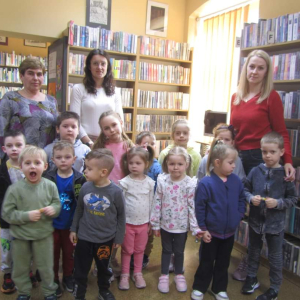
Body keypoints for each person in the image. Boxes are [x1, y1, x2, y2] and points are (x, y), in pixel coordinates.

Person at [230, 49, 295, 281]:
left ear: (266, 72)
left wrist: (287, 161)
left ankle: (250, 263)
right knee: (238, 205)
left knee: (258, 213)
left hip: (262, 159)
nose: (254, 71)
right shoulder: (236, 96)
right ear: (245, 68)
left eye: (260, 67)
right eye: (251, 66)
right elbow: (232, 133)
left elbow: (281, 133)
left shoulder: (271, 97)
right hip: (238, 158)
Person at [241, 132, 297, 300]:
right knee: (253, 250)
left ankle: (274, 288)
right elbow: (245, 190)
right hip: (255, 222)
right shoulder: (255, 171)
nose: (268, 156)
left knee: (275, 256)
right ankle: (251, 277)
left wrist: (278, 203)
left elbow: (293, 199)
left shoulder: (286, 176)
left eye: (272, 152)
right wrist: (251, 198)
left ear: (281, 152)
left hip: (275, 225)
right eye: (264, 152)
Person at [2, 146, 61, 300]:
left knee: (46, 268)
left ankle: (49, 292)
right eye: (27, 163)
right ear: (21, 167)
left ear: (45, 166)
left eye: (37, 162)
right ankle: (23, 293)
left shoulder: (50, 186)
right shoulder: (15, 189)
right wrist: (26, 216)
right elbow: (7, 214)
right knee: (21, 269)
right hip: (21, 237)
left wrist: (53, 209)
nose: (32, 166)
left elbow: (57, 204)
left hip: (43, 236)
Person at [191, 140, 246, 300]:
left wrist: (239, 214)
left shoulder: (236, 181)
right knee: (206, 262)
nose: (234, 166)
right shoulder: (206, 183)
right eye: (230, 163)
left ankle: (219, 288)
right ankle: (199, 287)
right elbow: (199, 207)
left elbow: (242, 199)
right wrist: (203, 228)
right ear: (217, 162)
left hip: (229, 233)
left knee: (223, 263)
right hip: (210, 233)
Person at [70, 149, 126, 300]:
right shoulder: (85, 187)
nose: (85, 171)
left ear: (103, 172)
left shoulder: (116, 192)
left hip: (105, 239)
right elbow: (79, 209)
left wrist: (118, 238)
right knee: (81, 268)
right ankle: (79, 292)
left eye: (88, 169)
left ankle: (104, 290)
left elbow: (121, 216)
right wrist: (73, 229)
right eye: (85, 168)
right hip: (84, 237)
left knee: (103, 268)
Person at [151, 146, 203, 294]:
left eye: (179, 164)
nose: (175, 167)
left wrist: (195, 227)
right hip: (165, 225)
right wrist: (155, 223)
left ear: (186, 165)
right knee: (166, 250)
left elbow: (191, 206)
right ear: (167, 164)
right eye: (172, 164)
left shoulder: (189, 183)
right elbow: (157, 202)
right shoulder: (163, 181)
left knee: (179, 251)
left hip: (181, 226)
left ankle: (179, 275)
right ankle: (164, 275)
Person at [93, 110, 134, 278]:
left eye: (114, 125)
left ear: (122, 124)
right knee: (103, 231)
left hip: (123, 195)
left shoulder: (129, 147)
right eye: (106, 128)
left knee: (118, 231)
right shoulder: (101, 148)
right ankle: (101, 262)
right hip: (104, 194)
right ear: (102, 131)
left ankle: (111, 259)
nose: (111, 130)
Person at [44, 141, 86, 297]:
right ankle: (54, 280)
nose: (63, 160)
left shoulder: (79, 179)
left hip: (70, 227)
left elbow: (81, 204)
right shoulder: (47, 177)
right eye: (59, 157)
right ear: (53, 160)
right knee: (52, 255)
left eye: (67, 157)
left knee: (69, 254)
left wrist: (77, 227)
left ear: (74, 159)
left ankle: (68, 277)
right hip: (51, 226)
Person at [0, 57, 58, 159]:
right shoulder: (10, 98)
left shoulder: (51, 101)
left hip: (45, 159)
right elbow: (1, 129)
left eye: (39, 74)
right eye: (30, 73)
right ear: (21, 76)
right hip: (18, 159)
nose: (35, 78)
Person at [118, 146, 155, 290]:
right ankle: (125, 274)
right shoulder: (124, 182)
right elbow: (120, 206)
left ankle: (137, 273)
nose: (134, 166)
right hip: (128, 223)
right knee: (127, 250)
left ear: (146, 164)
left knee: (140, 250)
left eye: (138, 163)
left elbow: (152, 202)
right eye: (131, 162)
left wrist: (151, 222)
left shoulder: (150, 183)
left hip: (143, 224)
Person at [70, 49, 123, 148]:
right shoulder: (78, 89)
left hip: (110, 141)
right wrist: (89, 143)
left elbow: (119, 119)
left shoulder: (115, 91)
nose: (99, 67)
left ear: (108, 67)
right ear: (89, 67)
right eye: (95, 63)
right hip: (85, 143)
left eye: (103, 64)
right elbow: (75, 120)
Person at [0, 130, 26, 294]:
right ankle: (8, 273)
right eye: (10, 146)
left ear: (25, 147)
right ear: (4, 149)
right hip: (7, 219)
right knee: (7, 247)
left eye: (18, 145)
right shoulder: (2, 170)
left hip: (27, 218)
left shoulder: (31, 166)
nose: (14, 149)